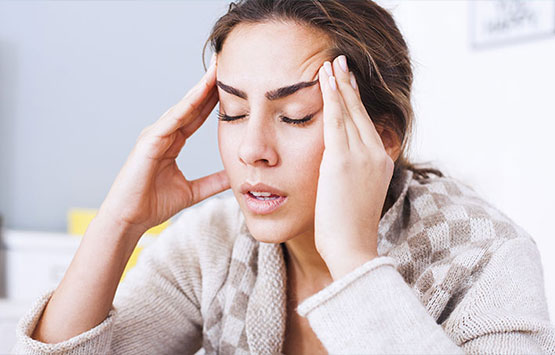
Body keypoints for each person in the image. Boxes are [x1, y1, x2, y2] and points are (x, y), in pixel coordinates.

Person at [13, 0, 555, 354]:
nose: (252, 150)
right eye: (231, 112)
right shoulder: (214, 242)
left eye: (295, 116)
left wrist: (352, 261)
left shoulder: (488, 258)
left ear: (384, 136)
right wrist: (120, 220)